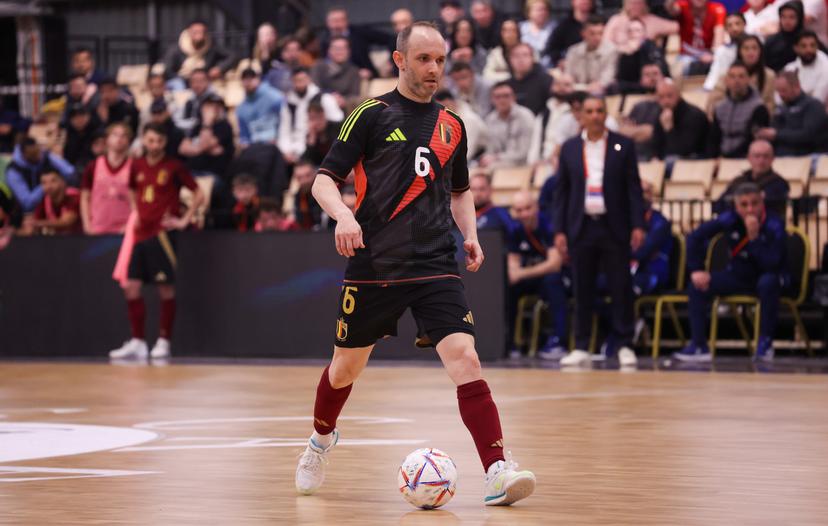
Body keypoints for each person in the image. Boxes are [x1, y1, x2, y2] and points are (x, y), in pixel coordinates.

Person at [295, 20, 536, 506]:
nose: (434, 69)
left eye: (441, 60)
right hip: (374, 266)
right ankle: (320, 440)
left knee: (465, 359)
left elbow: (461, 190)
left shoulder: (453, 124)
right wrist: (343, 216)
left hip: (435, 264)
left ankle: (496, 471)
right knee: (344, 370)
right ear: (399, 60)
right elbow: (323, 180)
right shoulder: (370, 113)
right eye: (424, 59)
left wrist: (469, 234)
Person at [553, 95, 646, 368]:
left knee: (621, 286)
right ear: (581, 115)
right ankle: (581, 345)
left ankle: (624, 343)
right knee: (582, 287)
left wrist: (638, 224)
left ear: (606, 114)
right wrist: (560, 229)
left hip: (613, 224)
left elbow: (634, 188)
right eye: (589, 111)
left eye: (599, 111)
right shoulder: (570, 148)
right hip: (581, 226)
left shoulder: (623, 145)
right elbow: (562, 192)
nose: (594, 115)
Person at [109, 123, 204, 361]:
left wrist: (184, 220)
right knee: (130, 286)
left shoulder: (174, 166)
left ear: (164, 142)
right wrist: (136, 211)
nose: (154, 146)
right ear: (143, 140)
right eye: (150, 141)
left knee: (165, 288)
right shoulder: (137, 165)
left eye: (159, 141)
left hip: (162, 235)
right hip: (140, 233)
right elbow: (132, 189)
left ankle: (164, 341)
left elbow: (199, 193)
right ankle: (138, 341)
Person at [674, 182, 787, 362]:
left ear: (762, 202)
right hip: (738, 276)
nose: (750, 209)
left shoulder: (775, 224)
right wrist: (696, 269)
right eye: (744, 205)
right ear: (736, 205)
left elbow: (772, 263)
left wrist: (755, 239)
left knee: (768, 283)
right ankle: (699, 345)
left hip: (766, 277)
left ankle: (765, 343)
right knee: (698, 285)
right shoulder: (729, 219)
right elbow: (695, 237)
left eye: (754, 203)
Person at [506, 191, 567, 359]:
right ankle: (509, 341)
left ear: (536, 207)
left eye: (527, 208)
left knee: (553, 282)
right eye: (519, 210)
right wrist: (514, 274)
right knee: (507, 286)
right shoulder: (514, 230)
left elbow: (554, 264)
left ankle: (558, 341)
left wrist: (522, 273)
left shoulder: (549, 225)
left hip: (560, 276)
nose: (524, 214)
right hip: (532, 277)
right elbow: (513, 264)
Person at [278, 67, 345, 165]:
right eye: (296, 80)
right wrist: (286, 150)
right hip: (295, 148)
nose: (300, 83)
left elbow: (338, 123)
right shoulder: (288, 103)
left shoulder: (324, 98)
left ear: (309, 79)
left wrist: (319, 128)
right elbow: (284, 130)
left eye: (303, 79)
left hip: (321, 145)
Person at [755, 71, 828, 155]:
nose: (780, 95)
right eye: (778, 91)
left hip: (806, 157)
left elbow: (808, 135)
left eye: (784, 90)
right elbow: (774, 130)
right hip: (779, 158)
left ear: (797, 87)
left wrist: (777, 135)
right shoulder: (780, 109)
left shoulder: (813, 106)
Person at [80, 123, 134, 235]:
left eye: (124, 136)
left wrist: (131, 225)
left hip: (124, 229)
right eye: (115, 135)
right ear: (107, 140)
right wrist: (87, 225)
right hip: (97, 228)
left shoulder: (135, 167)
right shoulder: (93, 166)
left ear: (129, 141)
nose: (119, 139)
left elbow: (138, 200)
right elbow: (85, 197)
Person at [708, 62, 771, 158]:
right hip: (721, 158)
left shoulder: (759, 108)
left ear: (748, 80)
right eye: (732, 77)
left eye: (741, 76)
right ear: (726, 81)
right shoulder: (720, 108)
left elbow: (753, 140)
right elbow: (714, 138)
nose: (736, 80)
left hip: (746, 158)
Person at [715, 139, 789, 216]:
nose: (761, 160)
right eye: (757, 156)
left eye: (766, 156)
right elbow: (718, 205)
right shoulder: (739, 181)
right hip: (736, 221)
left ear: (772, 159)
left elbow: (769, 206)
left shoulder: (779, 183)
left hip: (765, 223)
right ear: (749, 158)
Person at [707, 35, 776, 116]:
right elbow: (713, 104)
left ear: (760, 51)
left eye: (754, 48)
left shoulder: (769, 76)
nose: (751, 52)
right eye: (746, 48)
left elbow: (770, 106)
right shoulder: (727, 75)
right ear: (739, 51)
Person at [6, 137, 75, 213]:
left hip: (55, 203)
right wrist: (46, 186)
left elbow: (70, 173)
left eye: (38, 152)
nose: (38, 156)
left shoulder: (45, 156)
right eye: (33, 154)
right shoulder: (14, 171)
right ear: (24, 155)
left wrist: (58, 182)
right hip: (27, 213)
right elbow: (27, 204)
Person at [319, 6, 391, 79]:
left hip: (366, 78)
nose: (337, 25)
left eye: (340, 20)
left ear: (346, 21)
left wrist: (391, 61)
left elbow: (389, 39)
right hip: (338, 80)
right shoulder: (324, 41)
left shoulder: (359, 33)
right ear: (327, 23)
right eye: (333, 21)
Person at [528, 73, 581, 170]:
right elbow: (535, 143)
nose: (561, 88)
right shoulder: (543, 114)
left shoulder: (577, 115)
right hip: (542, 164)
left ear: (574, 88)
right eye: (557, 84)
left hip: (566, 163)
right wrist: (532, 163)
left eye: (567, 85)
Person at [162, 19, 237, 88]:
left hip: (204, 81)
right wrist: (184, 79)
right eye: (195, 32)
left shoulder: (211, 46)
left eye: (202, 32)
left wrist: (219, 68)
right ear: (189, 32)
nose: (199, 35)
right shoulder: (176, 49)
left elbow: (232, 56)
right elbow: (168, 70)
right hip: (182, 81)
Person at [631, 180, 673, 296]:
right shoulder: (626, 220)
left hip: (652, 273)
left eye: (644, 192)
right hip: (628, 271)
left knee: (622, 288)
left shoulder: (660, 223)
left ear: (650, 195)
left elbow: (642, 251)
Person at [480, 81, 535, 169]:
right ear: (492, 100)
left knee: (490, 168)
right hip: (499, 163)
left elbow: (524, 152)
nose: (502, 100)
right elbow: (490, 149)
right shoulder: (490, 119)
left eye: (506, 96)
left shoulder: (525, 116)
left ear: (513, 97)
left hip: (522, 164)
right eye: (498, 97)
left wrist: (497, 157)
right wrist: (486, 158)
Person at [651, 79, 710, 160]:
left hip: (695, 158)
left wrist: (669, 130)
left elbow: (683, 151)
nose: (666, 101)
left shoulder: (694, 115)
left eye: (669, 96)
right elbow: (655, 145)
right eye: (661, 97)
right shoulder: (660, 113)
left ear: (678, 94)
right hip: (670, 158)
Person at [665, 0, 727, 75]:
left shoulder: (717, 8)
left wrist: (714, 54)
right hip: (686, 55)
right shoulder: (682, 6)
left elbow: (719, 33)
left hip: (708, 54)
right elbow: (671, 9)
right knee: (678, 71)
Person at [564, 15, 619, 95]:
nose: (597, 37)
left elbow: (608, 77)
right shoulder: (573, 51)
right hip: (577, 90)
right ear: (583, 33)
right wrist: (568, 81)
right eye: (592, 34)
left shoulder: (612, 50)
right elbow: (568, 74)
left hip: (600, 91)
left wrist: (599, 84)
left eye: (600, 33)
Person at [615, 18, 670, 94]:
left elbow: (665, 76)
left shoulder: (654, 51)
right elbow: (621, 83)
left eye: (637, 30)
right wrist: (630, 55)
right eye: (630, 31)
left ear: (644, 33)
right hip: (633, 92)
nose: (634, 34)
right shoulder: (624, 56)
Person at [435, 90, 489, 162]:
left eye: (446, 106)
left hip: (480, 157)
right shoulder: (444, 119)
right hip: (460, 157)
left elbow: (467, 153)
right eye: (440, 109)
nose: (443, 111)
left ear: (454, 103)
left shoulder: (469, 120)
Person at [236, 68, 285, 148]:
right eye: (245, 79)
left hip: (276, 142)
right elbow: (244, 135)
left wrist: (279, 138)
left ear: (258, 79)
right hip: (254, 146)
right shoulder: (241, 108)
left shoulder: (273, 96)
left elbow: (285, 119)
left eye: (251, 78)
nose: (248, 82)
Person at [604, 0, 679, 48]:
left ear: (645, 4)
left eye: (639, 3)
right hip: (618, 62)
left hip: (644, 64)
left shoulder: (653, 21)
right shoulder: (615, 20)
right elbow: (605, 44)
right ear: (625, 3)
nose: (635, 6)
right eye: (632, 3)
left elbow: (678, 27)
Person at [311, 36, 363, 104]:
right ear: (329, 51)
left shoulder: (353, 70)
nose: (339, 51)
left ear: (349, 51)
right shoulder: (319, 66)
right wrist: (329, 97)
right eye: (335, 48)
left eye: (342, 48)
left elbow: (354, 95)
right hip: (321, 105)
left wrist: (343, 100)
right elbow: (314, 88)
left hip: (344, 107)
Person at [703, 12, 746, 92]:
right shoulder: (722, 50)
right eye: (730, 25)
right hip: (727, 89)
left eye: (737, 24)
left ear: (744, 24)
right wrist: (707, 88)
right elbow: (715, 73)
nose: (734, 28)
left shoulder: (755, 45)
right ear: (726, 29)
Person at [543, 0, 594, 67]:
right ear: (573, 2)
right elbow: (551, 48)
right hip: (572, 66)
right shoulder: (564, 26)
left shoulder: (600, 23)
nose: (584, 1)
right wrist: (559, 61)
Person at [506, 43, 553, 114]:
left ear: (532, 58)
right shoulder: (506, 85)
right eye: (516, 56)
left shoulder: (546, 81)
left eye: (525, 55)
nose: (520, 60)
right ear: (509, 60)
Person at [784, 31, 828, 105]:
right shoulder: (790, 68)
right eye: (804, 46)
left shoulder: (825, 65)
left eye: (812, 45)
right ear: (796, 48)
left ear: (817, 46)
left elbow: (818, 99)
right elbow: (780, 97)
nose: (809, 50)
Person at [31, 171, 82, 235]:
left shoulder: (74, 196)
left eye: (53, 181)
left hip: (83, 239)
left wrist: (39, 224)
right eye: (44, 183)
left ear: (63, 182)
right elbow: (34, 222)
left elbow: (67, 222)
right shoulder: (44, 200)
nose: (49, 186)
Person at [765, 1, 805, 72]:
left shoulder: (807, 40)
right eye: (783, 17)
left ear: (799, 18)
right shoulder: (771, 41)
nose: (787, 21)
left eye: (792, 17)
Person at [63, 102, 102, 171]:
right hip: (72, 168)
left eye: (82, 115)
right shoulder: (70, 133)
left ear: (88, 116)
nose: (79, 119)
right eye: (75, 117)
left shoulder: (97, 133)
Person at [176, 68, 215, 134]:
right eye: (193, 81)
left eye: (200, 81)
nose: (197, 85)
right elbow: (180, 121)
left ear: (208, 82)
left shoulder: (215, 100)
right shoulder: (190, 101)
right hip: (191, 136)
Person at [483, 18, 522, 83]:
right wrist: (509, 76)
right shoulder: (495, 53)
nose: (509, 34)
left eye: (513, 30)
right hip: (502, 87)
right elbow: (487, 74)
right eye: (506, 31)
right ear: (501, 33)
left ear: (518, 33)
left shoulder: (528, 51)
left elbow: (535, 73)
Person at [293, 158, 324, 230]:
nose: (304, 181)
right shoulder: (298, 196)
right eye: (299, 177)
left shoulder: (325, 192)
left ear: (315, 174)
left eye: (307, 176)